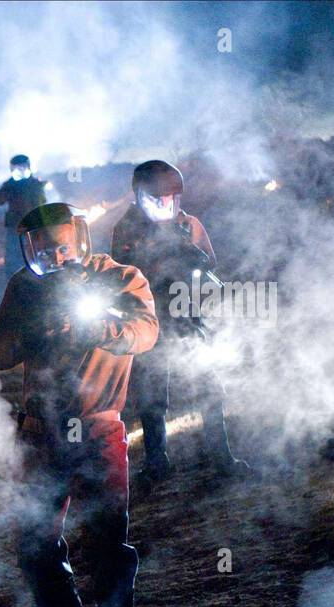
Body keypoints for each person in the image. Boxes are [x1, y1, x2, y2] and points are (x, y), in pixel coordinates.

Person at [0, 202, 157, 607]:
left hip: (99, 428)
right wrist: (32, 326)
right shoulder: (23, 287)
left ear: (79, 239)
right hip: (43, 433)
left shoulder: (118, 277)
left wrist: (97, 326)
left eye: (61, 244)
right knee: (36, 546)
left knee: (108, 547)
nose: (53, 255)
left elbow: (145, 332)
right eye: (41, 248)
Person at [110, 160, 251, 482]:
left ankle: (221, 455)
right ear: (139, 197)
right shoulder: (126, 229)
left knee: (208, 385)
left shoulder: (188, 225)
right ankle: (157, 461)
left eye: (169, 199)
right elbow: (120, 274)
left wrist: (188, 259)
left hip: (187, 316)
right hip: (150, 320)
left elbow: (210, 264)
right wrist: (150, 264)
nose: (163, 205)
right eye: (155, 199)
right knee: (151, 395)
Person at [0, 155, 48, 279]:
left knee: (35, 252)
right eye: (16, 168)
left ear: (28, 167)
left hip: (33, 225)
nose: (19, 171)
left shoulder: (35, 184)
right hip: (15, 225)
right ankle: (13, 278)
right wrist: (8, 187)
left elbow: (42, 202)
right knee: (14, 254)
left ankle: (37, 276)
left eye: (22, 168)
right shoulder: (10, 185)